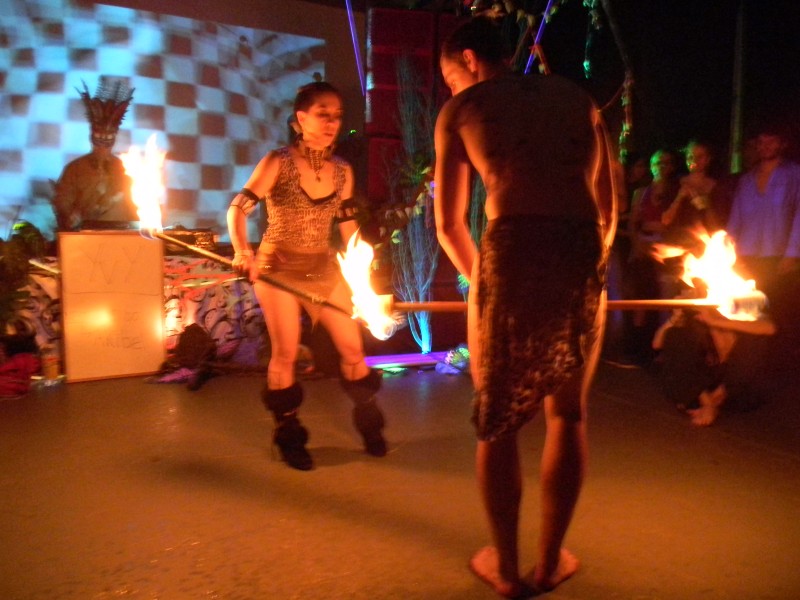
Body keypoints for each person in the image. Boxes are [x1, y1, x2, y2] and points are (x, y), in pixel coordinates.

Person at [433, 17, 616, 597]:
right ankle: (549, 560)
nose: (450, 88)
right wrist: (587, 268)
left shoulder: (463, 109)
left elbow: (448, 225)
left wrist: (486, 283)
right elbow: (607, 211)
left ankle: (509, 571)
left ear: (469, 58)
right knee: (568, 414)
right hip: (579, 244)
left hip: (511, 245)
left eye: (449, 76)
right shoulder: (577, 99)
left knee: (498, 419)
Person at [227, 82, 387, 471]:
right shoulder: (277, 161)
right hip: (277, 267)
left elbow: (347, 225)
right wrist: (243, 252)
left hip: (323, 268)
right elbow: (238, 209)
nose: (332, 123)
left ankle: (370, 423)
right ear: (301, 119)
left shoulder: (343, 170)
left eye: (337, 116)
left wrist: (361, 276)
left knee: (352, 350)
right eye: (322, 114)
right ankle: (288, 434)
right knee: (285, 353)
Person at [51, 79, 138, 231]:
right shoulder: (75, 169)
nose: (103, 146)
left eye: (108, 140)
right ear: (91, 138)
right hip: (87, 234)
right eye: (99, 140)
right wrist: (70, 216)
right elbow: (63, 202)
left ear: (114, 139)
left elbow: (137, 202)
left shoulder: (126, 168)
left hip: (123, 234)